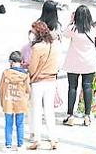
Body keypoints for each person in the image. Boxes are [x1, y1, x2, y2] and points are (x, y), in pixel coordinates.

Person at [62, 5, 96, 127]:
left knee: (72, 87)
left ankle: (70, 115)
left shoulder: (73, 29)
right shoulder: (93, 29)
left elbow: (65, 34)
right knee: (87, 87)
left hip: (74, 61)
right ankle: (87, 115)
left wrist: (71, 21)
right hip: (89, 62)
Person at [27, 20, 60, 150]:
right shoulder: (54, 45)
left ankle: (37, 139)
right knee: (49, 111)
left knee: (36, 111)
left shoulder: (37, 47)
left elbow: (33, 68)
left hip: (38, 82)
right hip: (51, 81)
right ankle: (53, 139)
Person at [0, 51, 30, 151]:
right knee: (20, 124)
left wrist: (2, 102)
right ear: (21, 62)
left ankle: (8, 144)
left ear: (10, 62)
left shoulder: (5, 73)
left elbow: (1, 89)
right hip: (20, 103)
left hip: (8, 102)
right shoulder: (25, 75)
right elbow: (28, 90)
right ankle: (20, 144)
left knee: (8, 124)